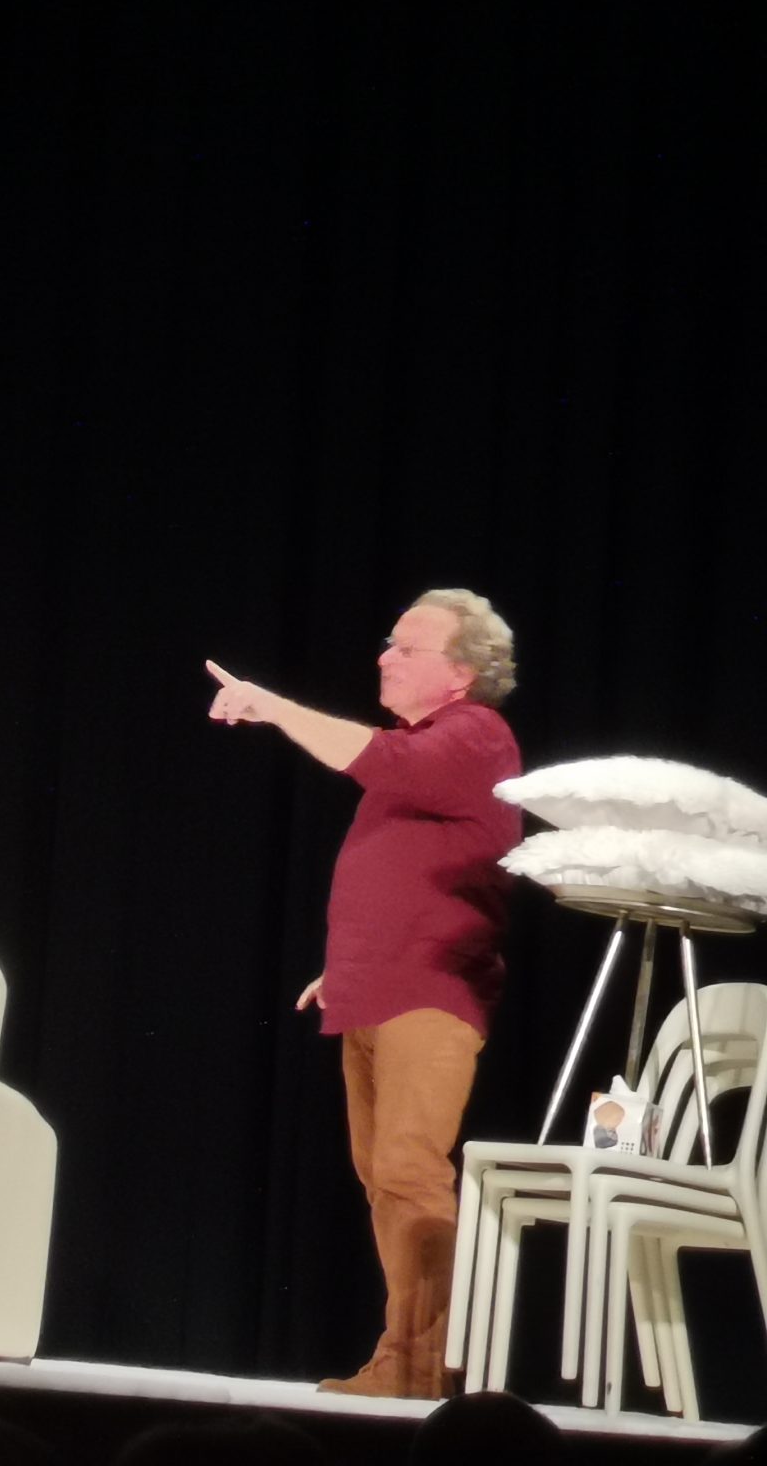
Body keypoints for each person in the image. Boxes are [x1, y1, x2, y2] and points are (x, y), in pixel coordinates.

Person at [206, 590, 522, 1399]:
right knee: (385, 1178)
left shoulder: (475, 734)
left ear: (461, 672)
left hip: (430, 991)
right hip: (378, 986)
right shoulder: (426, 744)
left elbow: (378, 761)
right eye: (389, 642)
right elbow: (402, 876)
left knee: (409, 1170)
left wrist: (273, 706)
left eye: (407, 648)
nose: (384, 657)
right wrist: (348, 966)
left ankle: (426, 1369)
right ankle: (407, 1361)